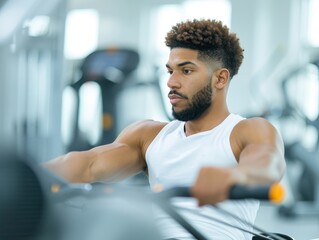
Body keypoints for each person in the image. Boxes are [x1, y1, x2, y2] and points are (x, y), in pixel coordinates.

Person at [44, 19, 286, 239]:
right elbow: (88, 164)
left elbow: (267, 164)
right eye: (170, 71)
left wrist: (234, 177)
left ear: (220, 79)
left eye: (186, 70)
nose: (171, 81)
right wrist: (29, 176)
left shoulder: (246, 130)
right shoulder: (149, 136)